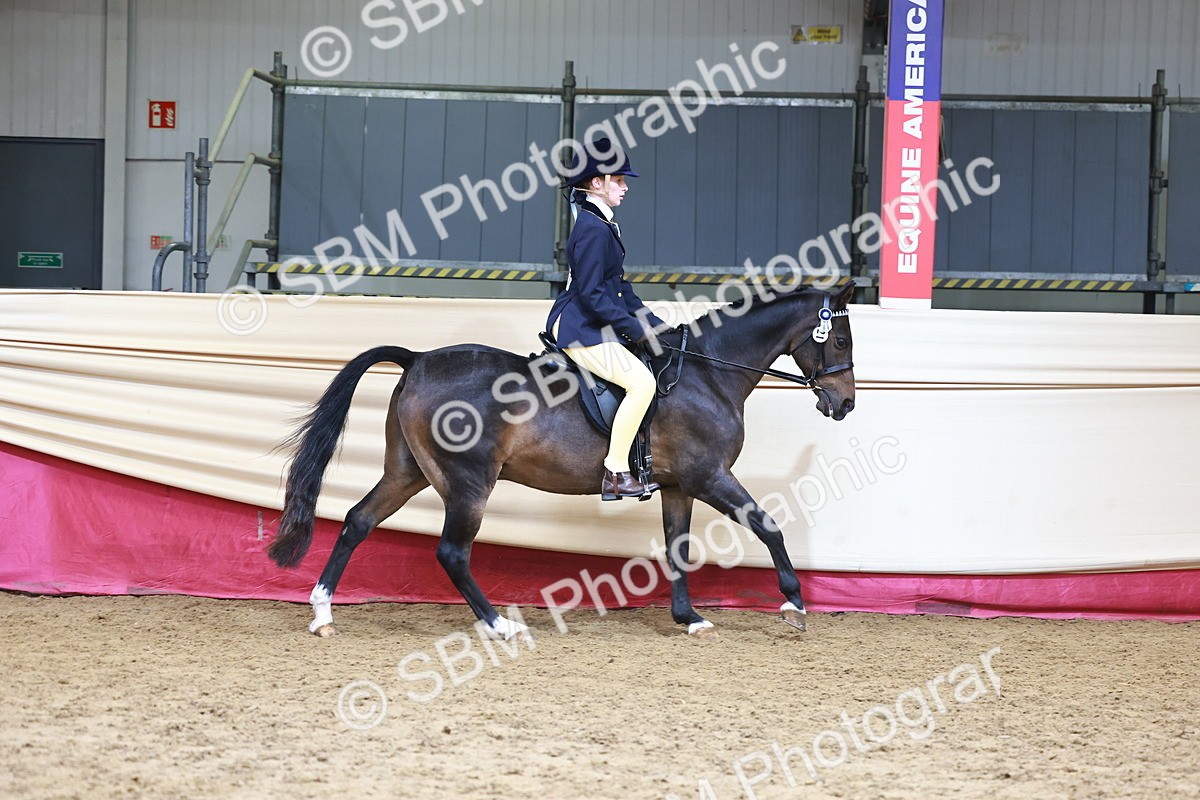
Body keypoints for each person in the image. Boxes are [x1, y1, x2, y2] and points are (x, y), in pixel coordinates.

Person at [545, 138, 666, 501]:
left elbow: (618, 287)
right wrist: (634, 329)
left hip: (591, 321)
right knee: (642, 384)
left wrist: (651, 321)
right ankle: (616, 472)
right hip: (580, 329)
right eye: (620, 180)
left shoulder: (601, 223)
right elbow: (593, 294)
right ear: (597, 182)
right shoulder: (594, 229)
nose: (626, 187)